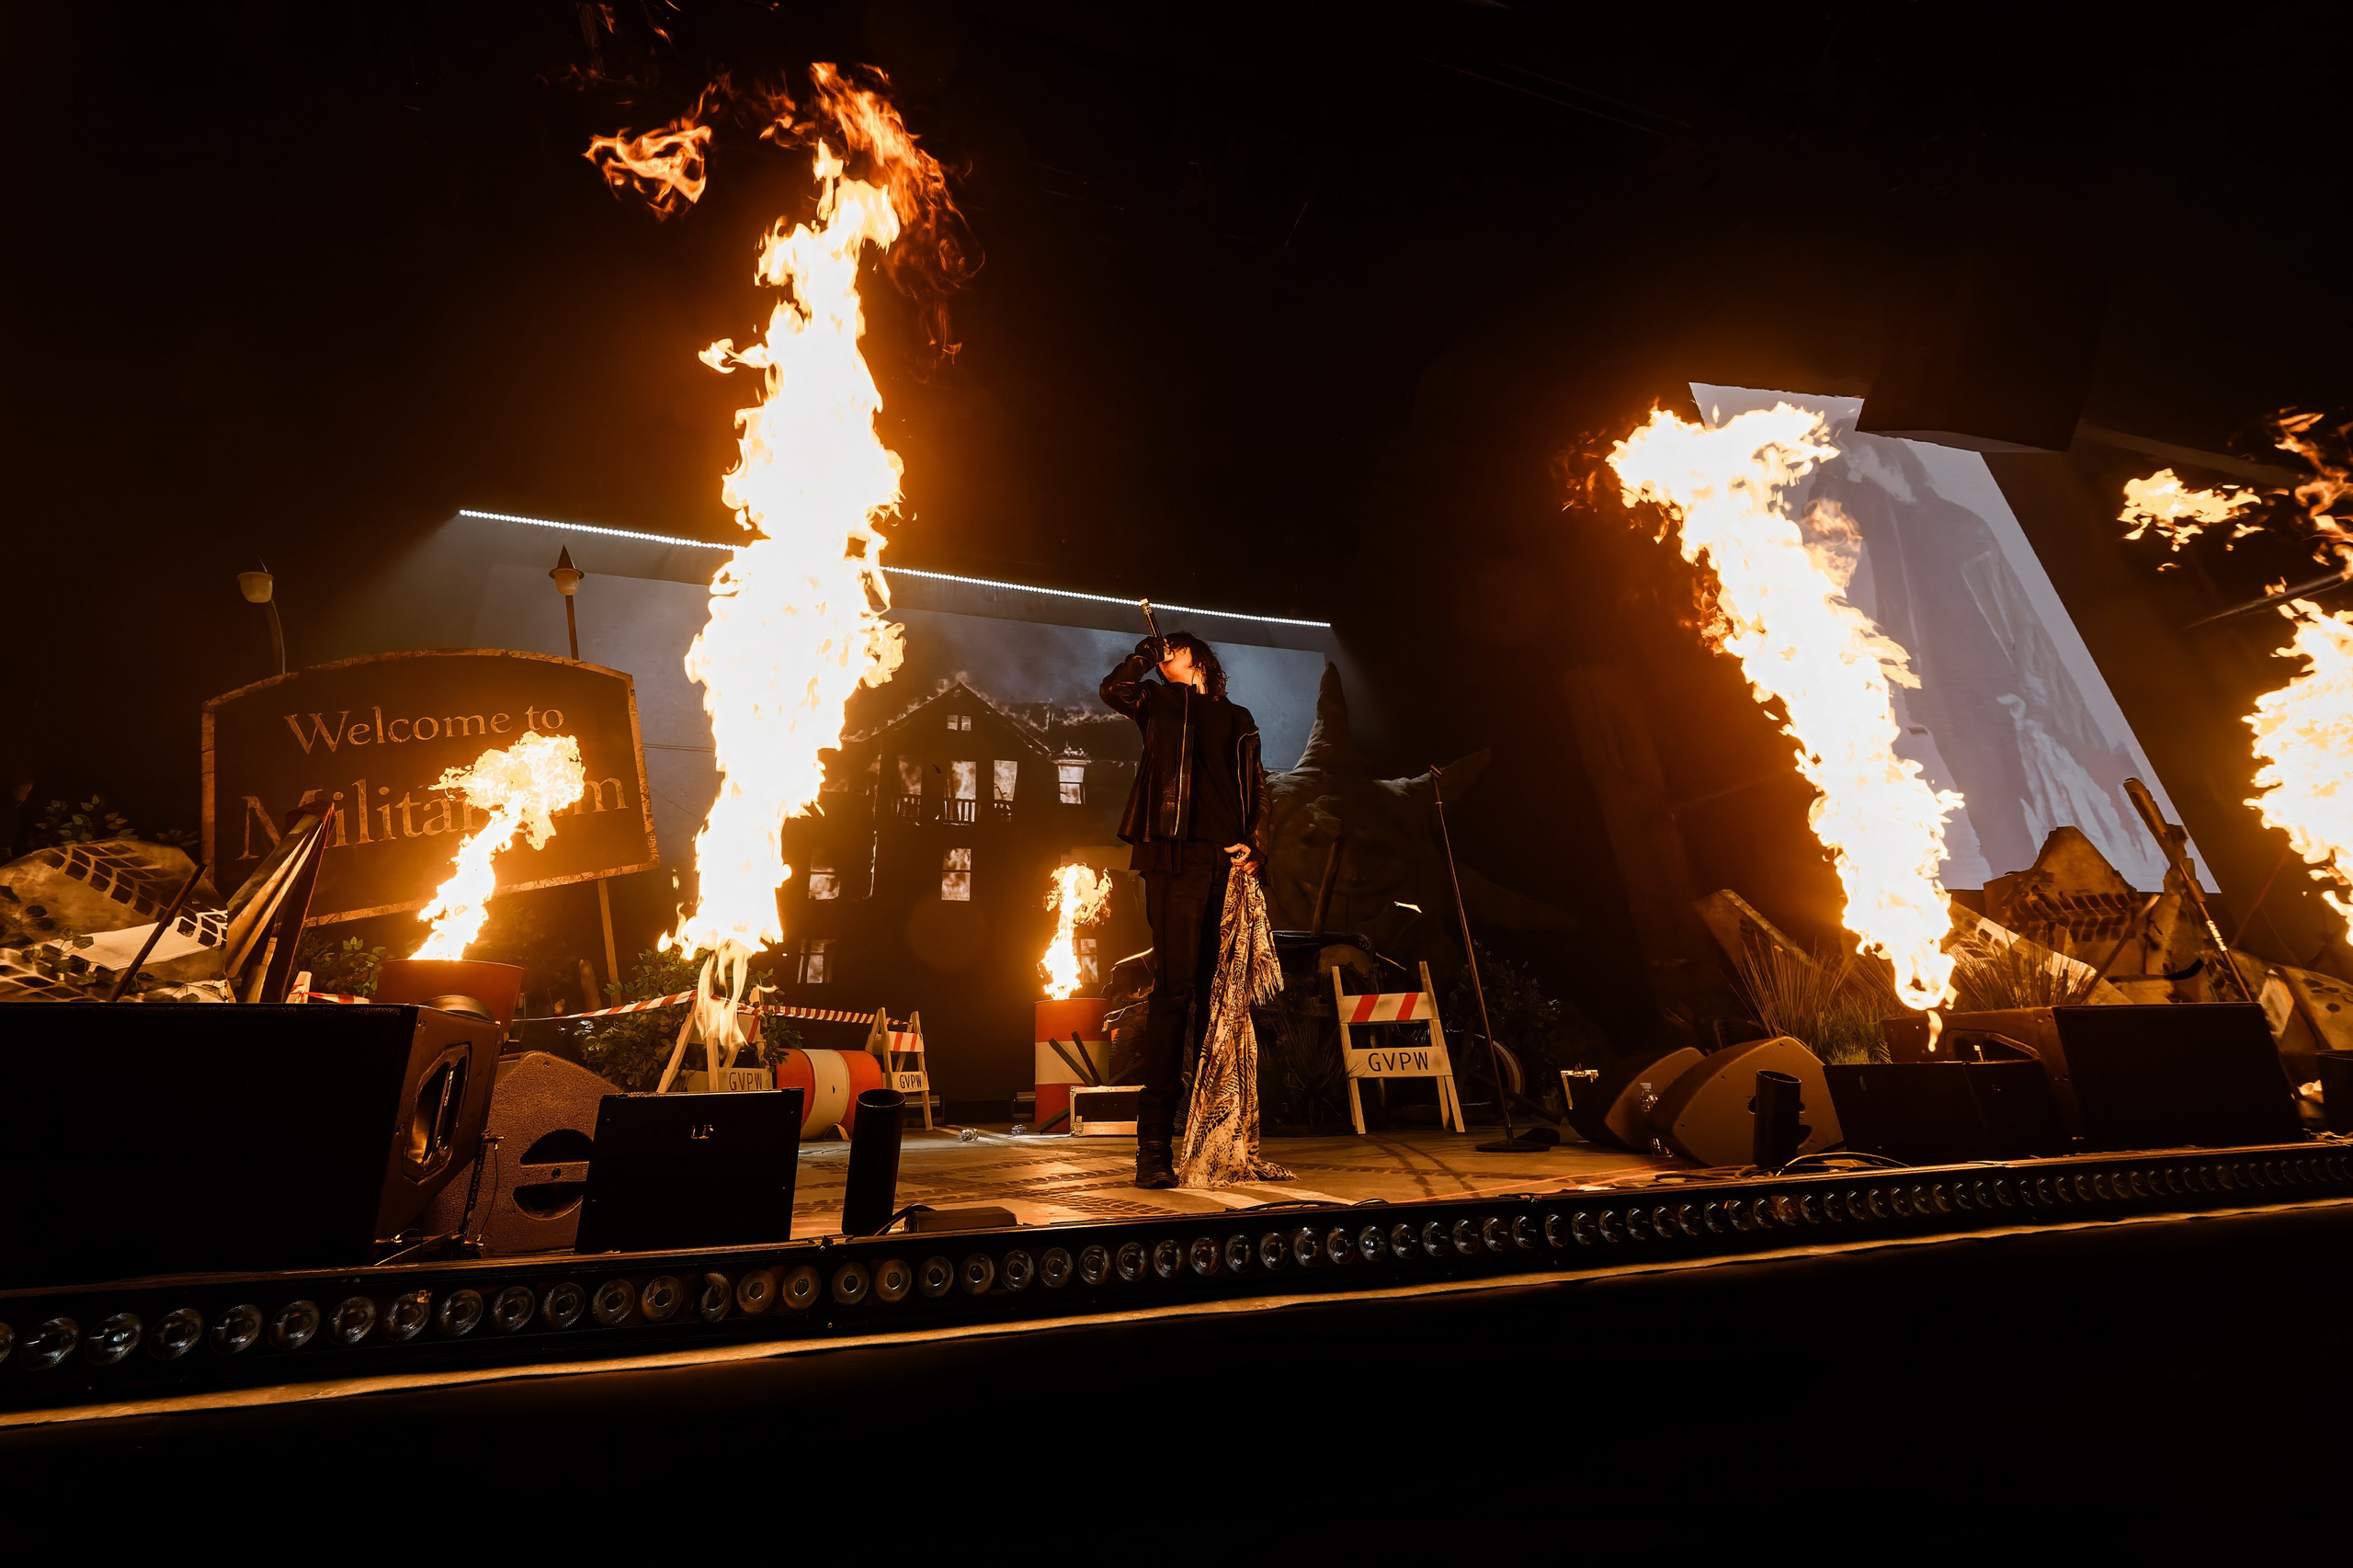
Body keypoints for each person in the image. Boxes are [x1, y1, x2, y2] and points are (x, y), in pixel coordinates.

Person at [1099, 631, 1271, 1187]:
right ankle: (1154, 1150)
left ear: (1199, 657)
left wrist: (1258, 842)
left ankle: (1215, 1139)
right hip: (1173, 861)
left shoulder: (1238, 717)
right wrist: (1146, 656)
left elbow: (1259, 788)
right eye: (1159, 647)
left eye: (1173, 645)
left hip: (1228, 865)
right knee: (1173, 994)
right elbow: (1113, 689)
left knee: (1219, 1001)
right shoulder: (1157, 701)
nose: (1163, 650)